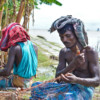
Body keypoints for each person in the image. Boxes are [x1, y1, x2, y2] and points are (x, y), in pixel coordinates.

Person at [30, 15, 100, 100]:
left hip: (85, 90)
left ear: (76, 35)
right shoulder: (64, 52)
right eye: (61, 37)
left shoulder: (90, 52)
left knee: (64, 97)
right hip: (68, 86)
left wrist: (77, 80)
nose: (64, 40)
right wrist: (73, 64)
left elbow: (97, 81)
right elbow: (57, 78)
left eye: (68, 36)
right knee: (35, 87)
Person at [0, 23, 38, 89]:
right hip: (30, 81)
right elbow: (28, 65)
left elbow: (7, 72)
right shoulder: (34, 46)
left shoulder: (14, 48)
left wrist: (4, 70)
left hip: (18, 82)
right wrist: (8, 66)